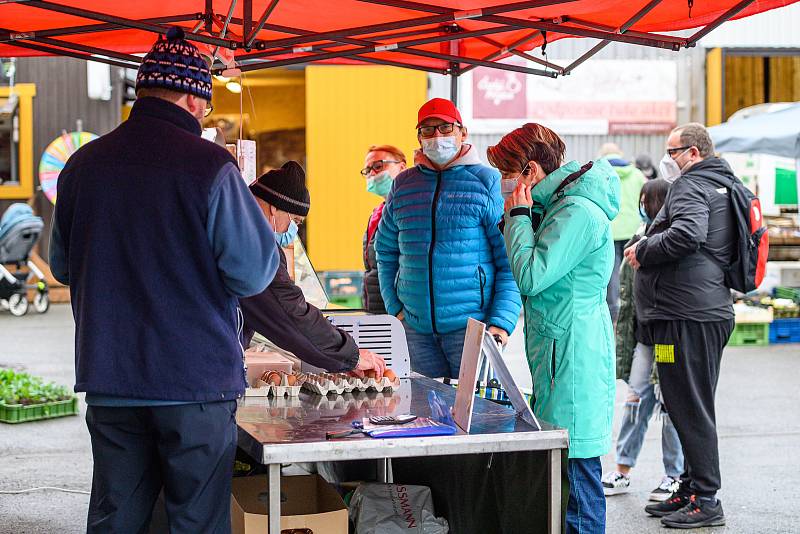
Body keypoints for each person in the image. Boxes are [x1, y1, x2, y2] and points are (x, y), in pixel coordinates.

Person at [49, 27, 280, 532]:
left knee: (117, 516)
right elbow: (251, 272)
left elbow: (63, 268)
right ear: (194, 99)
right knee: (194, 520)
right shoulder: (212, 166)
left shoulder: (81, 166)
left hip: (110, 377)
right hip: (193, 381)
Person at [489, 123, 620, 534]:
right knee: (564, 476)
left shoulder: (576, 212)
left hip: (573, 355)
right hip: (559, 348)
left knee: (578, 476)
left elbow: (530, 275)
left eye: (507, 173)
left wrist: (520, 215)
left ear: (529, 172)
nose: (503, 183)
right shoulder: (561, 203)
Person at [625, 123, 736, 529]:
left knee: (688, 407)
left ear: (692, 152)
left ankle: (705, 498)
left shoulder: (691, 186)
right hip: (699, 314)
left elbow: (688, 233)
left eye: (672, 151)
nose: (667, 158)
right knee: (685, 403)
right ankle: (691, 487)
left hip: (685, 318)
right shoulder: (724, 185)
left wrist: (643, 250)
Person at [374, 98, 521, 379]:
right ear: (418, 136)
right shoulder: (403, 185)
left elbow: (509, 261)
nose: (437, 137)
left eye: (445, 128)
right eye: (427, 130)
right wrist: (396, 308)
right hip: (415, 330)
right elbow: (385, 251)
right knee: (421, 414)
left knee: (475, 415)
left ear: (462, 133)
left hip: (472, 328)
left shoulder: (488, 182)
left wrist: (501, 323)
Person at [240, 161, 386, 376]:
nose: (294, 230)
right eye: (296, 221)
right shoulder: (254, 243)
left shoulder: (233, 226)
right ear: (275, 207)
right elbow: (290, 313)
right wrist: (350, 355)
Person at [601, 178, 685, 502]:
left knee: (669, 407)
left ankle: (673, 475)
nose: (643, 205)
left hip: (665, 340)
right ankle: (622, 470)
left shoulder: (668, 243)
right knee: (635, 402)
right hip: (644, 340)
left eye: (647, 200)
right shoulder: (639, 236)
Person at [599, 143, 645, 323]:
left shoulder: (598, 172)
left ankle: (613, 312)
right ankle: (633, 309)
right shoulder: (637, 174)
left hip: (608, 229)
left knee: (611, 273)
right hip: (632, 229)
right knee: (632, 268)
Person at [360, 145, 407, 315]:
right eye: (368, 170)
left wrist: (398, 311)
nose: (372, 173)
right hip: (376, 307)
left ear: (402, 167)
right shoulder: (378, 212)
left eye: (378, 166)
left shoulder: (410, 210)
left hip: (398, 312)